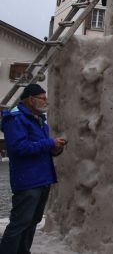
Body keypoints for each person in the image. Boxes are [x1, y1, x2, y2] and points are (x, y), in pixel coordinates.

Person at [0, 84, 65, 253]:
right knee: (20, 223)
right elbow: (19, 148)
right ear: (30, 100)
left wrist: (55, 149)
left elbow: (40, 149)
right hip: (28, 180)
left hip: (42, 178)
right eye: (42, 98)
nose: (46, 102)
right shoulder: (15, 119)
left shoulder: (39, 120)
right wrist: (49, 143)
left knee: (32, 222)